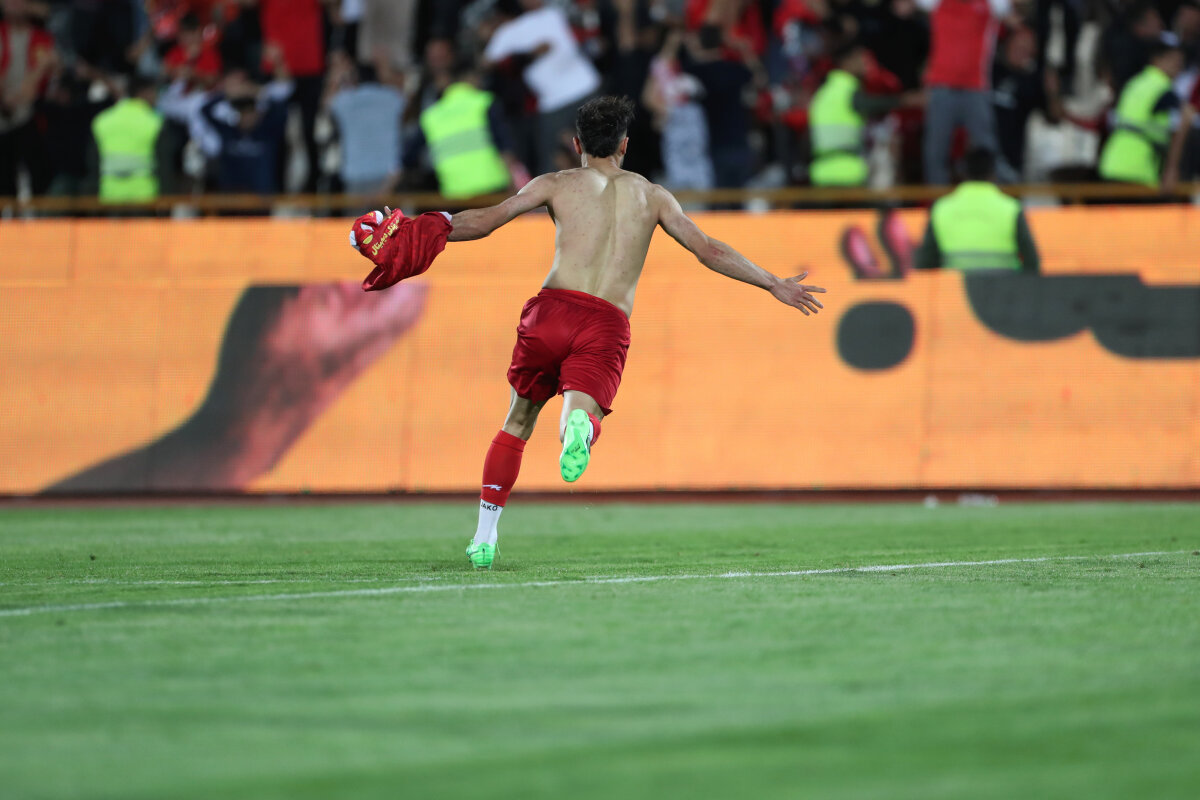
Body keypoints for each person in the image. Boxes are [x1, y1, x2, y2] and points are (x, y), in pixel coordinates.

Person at [354, 97, 826, 570]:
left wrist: (426, 227)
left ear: (577, 144)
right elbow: (707, 250)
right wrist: (773, 282)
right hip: (605, 321)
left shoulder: (555, 184)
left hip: (551, 311)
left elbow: (487, 221)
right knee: (581, 412)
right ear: (625, 145)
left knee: (517, 422)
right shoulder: (653, 196)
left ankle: (483, 537)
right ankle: (578, 428)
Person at [482, 0, 601, 176]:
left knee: (603, 152)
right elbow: (486, 63)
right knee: (552, 167)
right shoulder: (509, 31)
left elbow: (588, 25)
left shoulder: (555, 13)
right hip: (553, 102)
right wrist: (529, 55)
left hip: (587, 88)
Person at [917, 0, 1010, 185]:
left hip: (975, 87)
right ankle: (937, 200)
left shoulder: (990, 4)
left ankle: (993, 196)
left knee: (986, 149)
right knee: (935, 153)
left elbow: (1006, 7)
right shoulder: (938, 2)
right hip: (942, 87)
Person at [808, 42, 922, 187]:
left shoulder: (823, 93)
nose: (865, 64)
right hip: (846, 172)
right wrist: (906, 100)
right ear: (847, 62)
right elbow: (870, 105)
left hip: (820, 172)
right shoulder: (846, 90)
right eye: (860, 59)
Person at [913, 148, 1040, 271]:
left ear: (963, 174)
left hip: (957, 284)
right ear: (993, 174)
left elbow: (925, 262)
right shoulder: (1011, 208)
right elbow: (1032, 261)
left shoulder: (941, 208)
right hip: (1004, 283)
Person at [1098, 39, 1195, 192]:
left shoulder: (1135, 83)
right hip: (1138, 168)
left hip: (1113, 163)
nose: (1179, 67)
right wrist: (1172, 169)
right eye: (1174, 61)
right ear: (1156, 60)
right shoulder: (1161, 87)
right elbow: (1187, 115)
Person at [91, 75, 166, 204]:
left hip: (110, 195)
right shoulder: (155, 122)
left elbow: (93, 163)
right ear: (144, 92)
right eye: (154, 92)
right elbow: (164, 165)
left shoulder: (102, 120)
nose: (156, 97)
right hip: (144, 195)